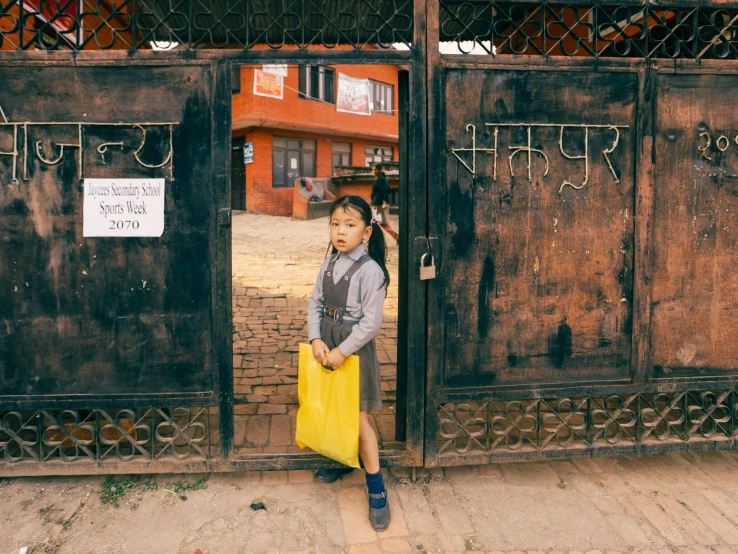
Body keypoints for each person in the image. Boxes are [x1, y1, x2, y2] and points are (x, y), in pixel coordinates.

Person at [306, 195, 391, 531]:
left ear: (366, 232)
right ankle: (342, 458)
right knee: (332, 407)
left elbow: (371, 323)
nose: (340, 231)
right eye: (335, 224)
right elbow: (315, 303)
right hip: (327, 344)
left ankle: (376, 488)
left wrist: (343, 351)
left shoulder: (371, 271)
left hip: (353, 351)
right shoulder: (328, 263)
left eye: (350, 225)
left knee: (358, 420)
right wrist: (316, 338)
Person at [370, 163, 399, 242]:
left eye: (375, 169)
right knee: (379, 222)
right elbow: (389, 189)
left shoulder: (381, 179)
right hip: (377, 203)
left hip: (378, 204)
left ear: (380, 170)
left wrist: (384, 202)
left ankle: (374, 239)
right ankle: (395, 236)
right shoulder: (381, 178)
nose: (373, 171)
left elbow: (386, 190)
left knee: (375, 221)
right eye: (373, 169)